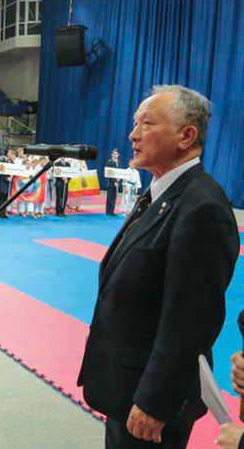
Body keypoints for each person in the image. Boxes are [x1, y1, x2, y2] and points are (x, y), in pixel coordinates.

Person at [78, 85, 239, 448]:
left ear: (186, 136)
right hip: (124, 383)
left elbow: (192, 321)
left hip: (152, 401)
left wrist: (155, 401)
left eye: (147, 123)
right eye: (135, 123)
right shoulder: (160, 193)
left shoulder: (202, 207)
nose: (133, 134)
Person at [105, 147, 122, 216]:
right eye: (114, 154)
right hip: (111, 183)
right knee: (110, 197)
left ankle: (112, 211)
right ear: (112, 154)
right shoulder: (110, 162)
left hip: (116, 183)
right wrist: (114, 181)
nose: (115, 155)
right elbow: (109, 173)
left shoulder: (119, 162)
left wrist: (119, 178)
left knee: (114, 198)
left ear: (118, 154)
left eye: (116, 154)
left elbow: (120, 171)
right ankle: (108, 211)